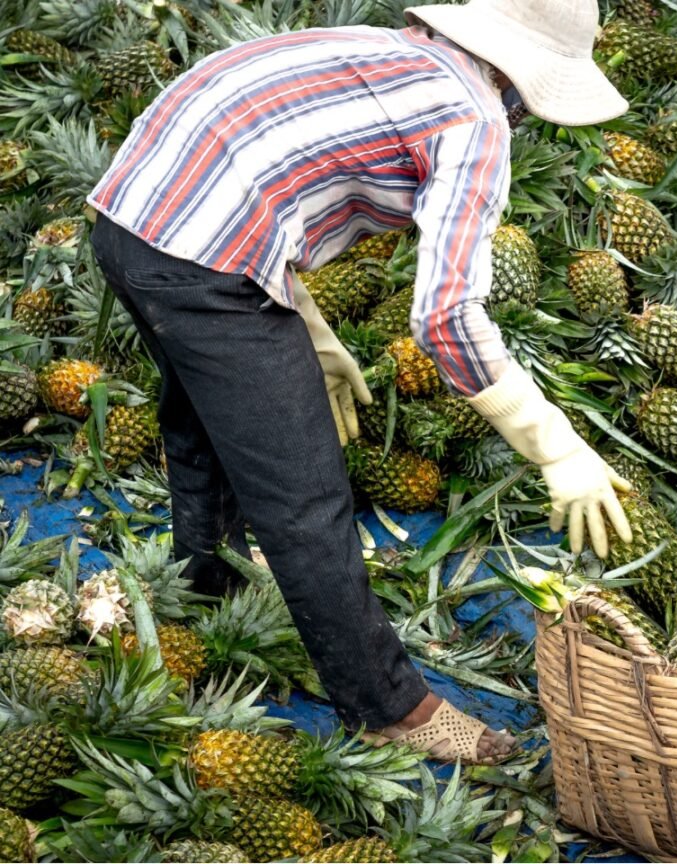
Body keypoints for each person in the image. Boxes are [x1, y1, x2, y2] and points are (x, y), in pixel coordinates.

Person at [86, 0, 634, 765]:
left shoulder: (384, 50)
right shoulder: (476, 121)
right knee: (304, 499)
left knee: (201, 418)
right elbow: (447, 318)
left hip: (129, 217)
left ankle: (207, 580)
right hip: (202, 254)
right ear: (527, 80)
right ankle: (389, 707)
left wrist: (315, 336)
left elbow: (255, 173)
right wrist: (557, 448)